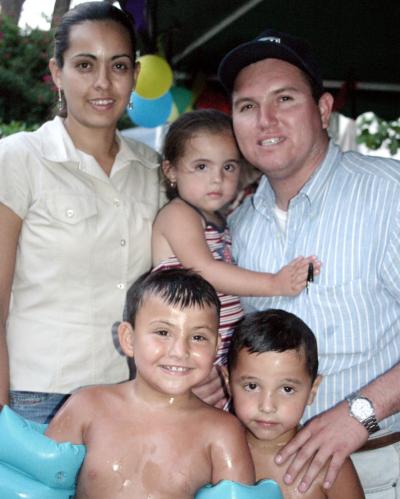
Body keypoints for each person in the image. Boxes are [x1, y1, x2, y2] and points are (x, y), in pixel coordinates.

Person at [217, 28, 400, 496]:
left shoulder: (389, 194)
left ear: (322, 109)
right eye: (247, 106)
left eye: (285, 99)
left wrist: (360, 413)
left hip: (383, 467)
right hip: (269, 474)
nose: (266, 120)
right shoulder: (237, 229)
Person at [0, 2, 164, 423]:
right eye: (85, 65)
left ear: (135, 76)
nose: (104, 83)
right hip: (38, 401)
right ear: (57, 73)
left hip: (132, 399)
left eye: (119, 66)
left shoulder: (154, 170)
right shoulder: (19, 159)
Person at [152, 109, 320, 406]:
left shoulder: (219, 218)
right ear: (171, 171)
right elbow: (205, 270)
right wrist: (275, 284)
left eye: (228, 167)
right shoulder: (179, 213)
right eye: (201, 166)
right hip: (186, 350)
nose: (217, 179)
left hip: (214, 352)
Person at [45, 268, 255, 498]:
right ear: (129, 339)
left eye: (198, 337)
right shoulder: (86, 406)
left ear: (216, 348)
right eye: (163, 332)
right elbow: (42, 483)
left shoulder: (221, 433)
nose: (179, 351)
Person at [228, 309, 364, 498]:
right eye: (252, 386)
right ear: (228, 383)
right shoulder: (216, 452)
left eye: (287, 389)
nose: (267, 406)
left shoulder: (328, 464)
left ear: (312, 391)